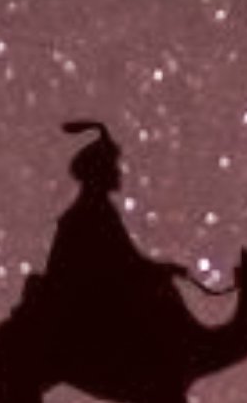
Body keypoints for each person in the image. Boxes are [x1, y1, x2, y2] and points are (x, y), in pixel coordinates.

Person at [21, 117, 182, 362]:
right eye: (113, 166)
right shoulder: (91, 212)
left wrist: (159, 270)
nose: (118, 172)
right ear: (100, 171)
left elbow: (126, 259)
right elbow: (124, 260)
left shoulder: (97, 209)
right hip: (82, 299)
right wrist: (159, 271)